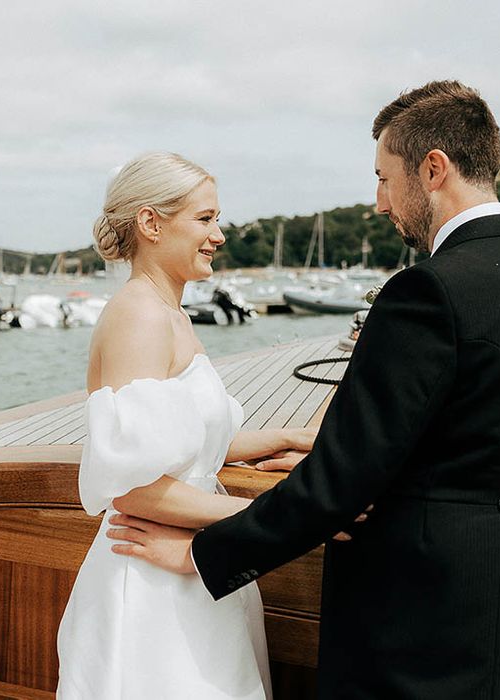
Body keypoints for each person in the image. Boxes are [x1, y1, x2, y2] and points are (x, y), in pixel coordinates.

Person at [108, 81, 500, 699]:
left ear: (432, 169)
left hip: (409, 617)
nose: (380, 201)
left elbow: (341, 486)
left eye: (385, 177)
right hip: (498, 606)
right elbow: (467, 436)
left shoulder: (429, 291)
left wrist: (202, 557)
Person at [56, 152, 318, 699]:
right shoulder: (140, 318)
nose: (219, 235)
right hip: (151, 585)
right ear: (151, 223)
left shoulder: (168, 313)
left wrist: (288, 437)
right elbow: (132, 488)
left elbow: (186, 448)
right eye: (204, 219)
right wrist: (273, 517)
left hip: (191, 564)